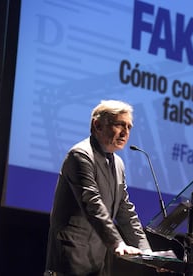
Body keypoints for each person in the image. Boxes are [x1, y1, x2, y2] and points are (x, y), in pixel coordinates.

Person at [45, 100, 152, 275]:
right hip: (71, 257)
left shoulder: (118, 163)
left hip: (98, 260)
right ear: (97, 125)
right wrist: (117, 243)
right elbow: (92, 204)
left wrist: (146, 251)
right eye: (119, 125)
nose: (125, 132)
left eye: (129, 127)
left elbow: (125, 210)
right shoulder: (80, 155)